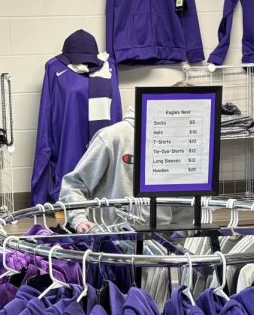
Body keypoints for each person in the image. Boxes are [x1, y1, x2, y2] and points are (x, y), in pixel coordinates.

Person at [59, 80, 187, 232]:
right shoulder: (113, 137)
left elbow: (184, 206)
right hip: (110, 238)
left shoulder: (184, 147)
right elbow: (74, 184)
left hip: (161, 242)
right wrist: (79, 219)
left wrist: (180, 239)